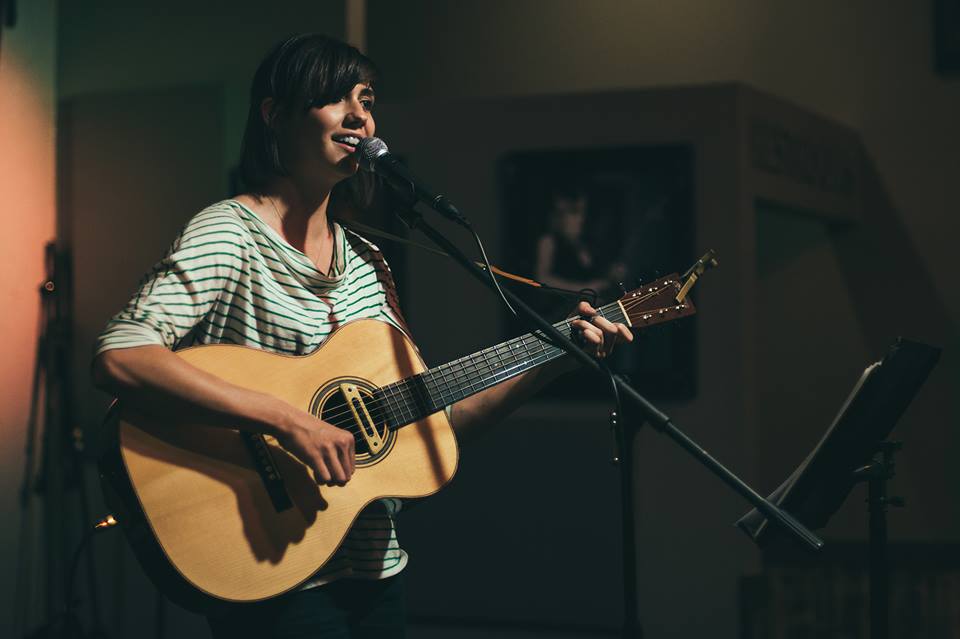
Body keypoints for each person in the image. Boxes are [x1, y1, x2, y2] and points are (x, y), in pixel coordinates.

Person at [91, 33, 632, 638]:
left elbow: (433, 430)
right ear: (274, 114)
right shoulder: (230, 234)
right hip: (277, 576)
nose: (359, 116)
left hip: (377, 574)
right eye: (335, 98)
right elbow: (121, 354)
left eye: (367, 100)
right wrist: (288, 420)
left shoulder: (369, 262)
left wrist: (555, 360)